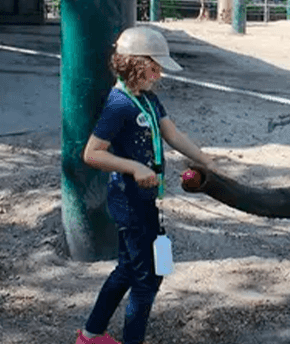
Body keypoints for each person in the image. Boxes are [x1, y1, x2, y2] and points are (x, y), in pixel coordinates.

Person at [76, 26, 219, 344]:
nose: (159, 76)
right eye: (154, 68)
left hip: (149, 200)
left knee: (127, 269)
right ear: (135, 64)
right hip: (129, 201)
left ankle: (90, 334)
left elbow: (173, 134)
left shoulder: (149, 100)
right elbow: (92, 153)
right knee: (147, 280)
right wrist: (134, 167)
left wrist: (206, 161)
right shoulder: (118, 105)